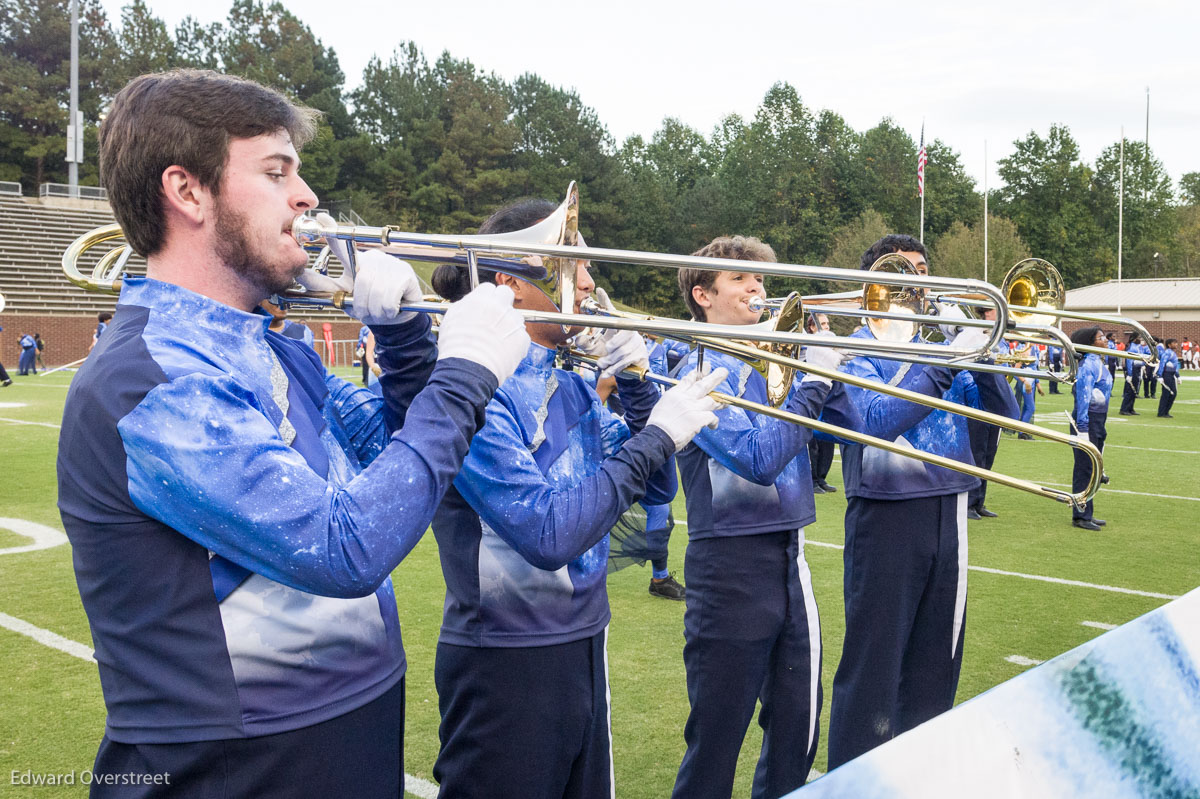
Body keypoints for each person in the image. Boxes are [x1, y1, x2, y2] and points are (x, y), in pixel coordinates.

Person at [57, 69, 531, 799]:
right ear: (187, 192)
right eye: (277, 173)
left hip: (338, 742)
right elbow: (343, 547)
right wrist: (465, 374)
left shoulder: (272, 346)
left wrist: (406, 343)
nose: (307, 198)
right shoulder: (146, 374)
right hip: (236, 769)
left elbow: (395, 463)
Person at [422, 199, 724, 799]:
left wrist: (639, 390)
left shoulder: (570, 382)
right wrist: (659, 433)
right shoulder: (474, 388)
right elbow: (548, 535)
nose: (588, 283)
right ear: (510, 281)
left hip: (585, 639)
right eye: (572, 266)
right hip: (505, 658)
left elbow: (655, 489)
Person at [670, 236, 858, 799]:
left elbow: (872, 423)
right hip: (728, 568)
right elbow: (756, 459)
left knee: (798, 730)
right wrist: (815, 383)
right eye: (739, 281)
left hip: (790, 559)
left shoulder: (781, 358)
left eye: (760, 281)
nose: (757, 290)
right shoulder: (696, 368)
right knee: (716, 740)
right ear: (702, 295)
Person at [826, 234, 1019, 769]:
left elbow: (1007, 414)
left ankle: (920, 775)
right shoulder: (855, 351)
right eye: (904, 271)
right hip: (885, 514)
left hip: (949, 512)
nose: (920, 282)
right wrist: (943, 362)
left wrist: (981, 349)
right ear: (876, 286)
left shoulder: (947, 345)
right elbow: (876, 423)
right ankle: (853, 780)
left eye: (925, 271)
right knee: (873, 668)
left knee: (938, 664)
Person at [964, 308, 1006, 520]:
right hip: (978, 405)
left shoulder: (1002, 340)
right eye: (993, 311)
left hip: (996, 406)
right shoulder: (975, 338)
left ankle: (980, 501)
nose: (998, 316)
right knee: (976, 454)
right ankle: (969, 502)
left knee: (989, 455)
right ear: (983, 315)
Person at [1069, 326, 1112, 531]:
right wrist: (1083, 429)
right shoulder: (1088, 365)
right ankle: (1081, 516)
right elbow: (1083, 398)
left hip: (1098, 419)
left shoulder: (1100, 362)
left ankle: (1088, 512)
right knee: (1084, 469)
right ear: (1090, 343)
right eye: (1101, 337)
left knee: (1094, 469)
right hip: (1086, 420)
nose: (1106, 340)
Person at [805, 312, 839, 494]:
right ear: (812, 327)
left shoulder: (831, 343)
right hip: (812, 396)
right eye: (822, 324)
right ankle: (812, 480)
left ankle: (821, 478)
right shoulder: (805, 345)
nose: (826, 327)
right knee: (813, 443)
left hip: (828, 396)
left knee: (827, 443)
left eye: (827, 323)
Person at [1119, 332, 1143, 415]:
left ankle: (1130, 408)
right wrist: (1129, 374)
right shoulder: (1132, 347)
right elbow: (1129, 361)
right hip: (1132, 370)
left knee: (1134, 390)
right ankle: (1124, 409)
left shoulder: (1138, 347)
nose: (1140, 339)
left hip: (1137, 369)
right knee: (1130, 390)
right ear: (1134, 338)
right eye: (1139, 337)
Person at [1157, 338, 1181, 418]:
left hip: (1171, 375)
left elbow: (1175, 366)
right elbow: (1162, 364)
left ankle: (1166, 411)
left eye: (1176, 343)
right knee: (1166, 394)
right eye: (1174, 343)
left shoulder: (1173, 353)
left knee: (1173, 393)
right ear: (1169, 345)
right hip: (1166, 374)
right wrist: (1160, 375)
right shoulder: (1167, 353)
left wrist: (1178, 376)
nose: (1176, 344)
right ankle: (1161, 412)